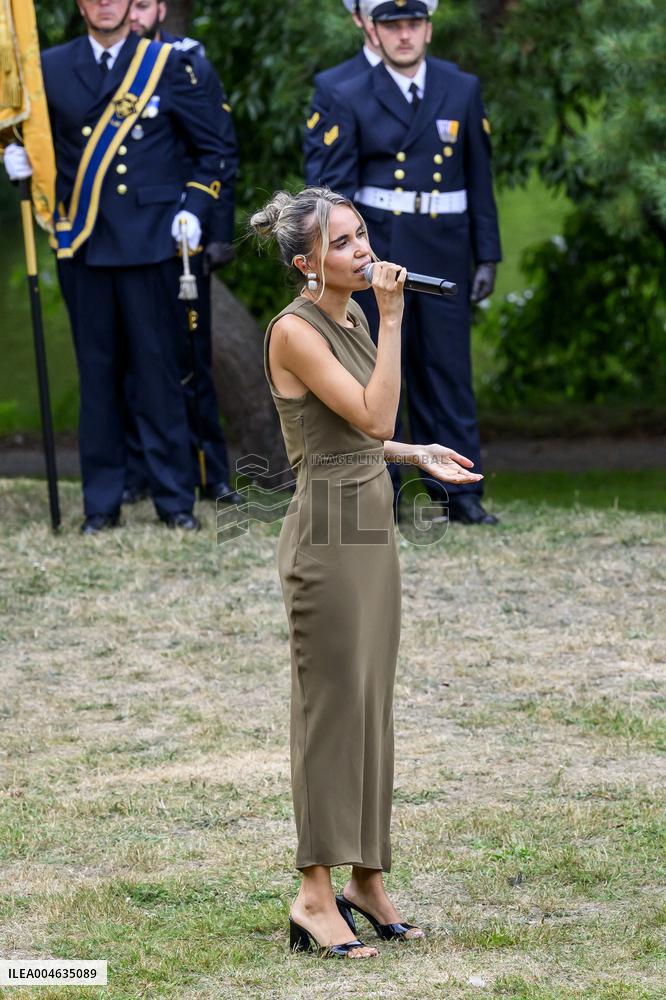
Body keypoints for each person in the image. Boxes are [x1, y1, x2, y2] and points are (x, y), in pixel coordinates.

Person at [251, 186, 482, 957]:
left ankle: (366, 879)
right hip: (327, 534)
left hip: (372, 522)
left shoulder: (348, 314)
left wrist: (416, 453)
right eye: (343, 244)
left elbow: (363, 429)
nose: (363, 251)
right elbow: (372, 415)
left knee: (372, 707)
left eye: (362, 235)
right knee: (331, 716)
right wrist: (394, 318)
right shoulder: (295, 330)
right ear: (304, 264)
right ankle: (314, 897)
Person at [3, 0, 229, 533]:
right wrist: (18, 163)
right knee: (98, 379)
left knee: (160, 376)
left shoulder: (169, 65)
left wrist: (195, 209)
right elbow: (33, 142)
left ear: (133, 4)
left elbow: (212, 149)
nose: (105, 3)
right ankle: (101, 504)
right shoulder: (49, 69)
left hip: (154, 244)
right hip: (85, 244)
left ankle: (175, 501)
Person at [319, 0, 502, 525]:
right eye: (392, 25)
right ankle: (386, 494)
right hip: (379, 252)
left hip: (445, 247)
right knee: (378, 375)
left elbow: (478, 179)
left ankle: (463, 494)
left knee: (449, 374)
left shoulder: (459, 87)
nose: (404, 36)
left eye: (413, 24)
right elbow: (332, 194)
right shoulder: (343, 89)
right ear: (371, 28)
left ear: (429, 26)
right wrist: (344, 262)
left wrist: (486, 253)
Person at [123, 0, 242, 507]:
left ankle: (208, 472)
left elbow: (218, 149)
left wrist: (217, 231)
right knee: (128, 359)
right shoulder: (99, 68)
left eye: (142, 4)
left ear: (159, 9)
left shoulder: (186, 62)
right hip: (124, 240)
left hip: (182, 238)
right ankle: (137, 473)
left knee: (190, 361)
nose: (132, 15)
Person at [303, 1, 382, 186]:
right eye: (372, 14)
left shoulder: (439, 81)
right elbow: (319, 170)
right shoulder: (332, 84)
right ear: (357, 17)